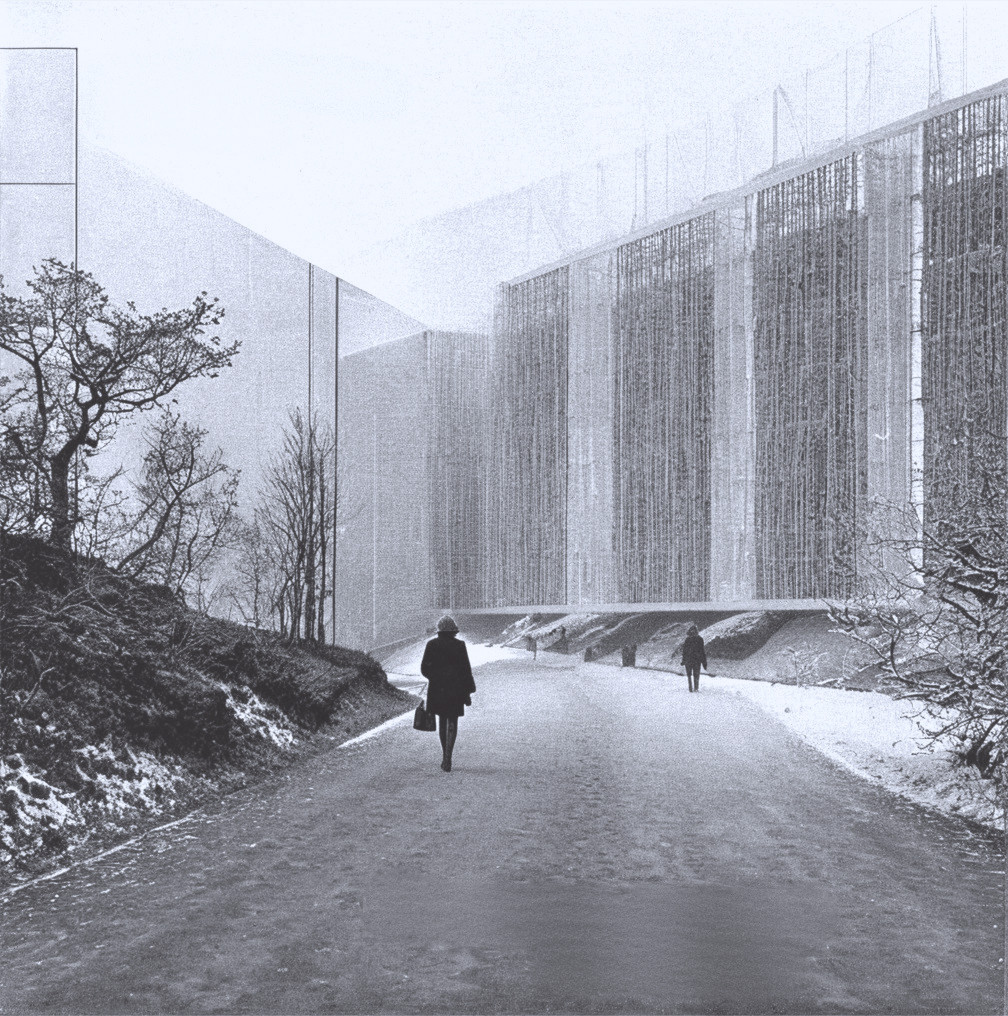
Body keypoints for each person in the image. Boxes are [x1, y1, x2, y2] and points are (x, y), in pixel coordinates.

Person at [420, 615, 476, 772]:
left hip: (438, 689)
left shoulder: (431, 645)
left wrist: (437, 677)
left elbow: (424, 668)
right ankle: (448, 757)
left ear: (439, 630)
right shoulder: (460, 645)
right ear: (453, 631)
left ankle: (444, 755)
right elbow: (466, 669)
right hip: (455, 689)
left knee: (442, 720)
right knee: (453, 721)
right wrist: (469, 689)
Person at [682, 623, 707, 693]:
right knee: (696, 675)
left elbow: (685, 651)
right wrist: (704, 662)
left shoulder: (687, 639)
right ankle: (696, 688)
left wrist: (683, 660)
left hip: (689, 660)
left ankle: (691, 688)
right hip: (696, 660)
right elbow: (702, 651)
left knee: (689, 675)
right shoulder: (700, 639)